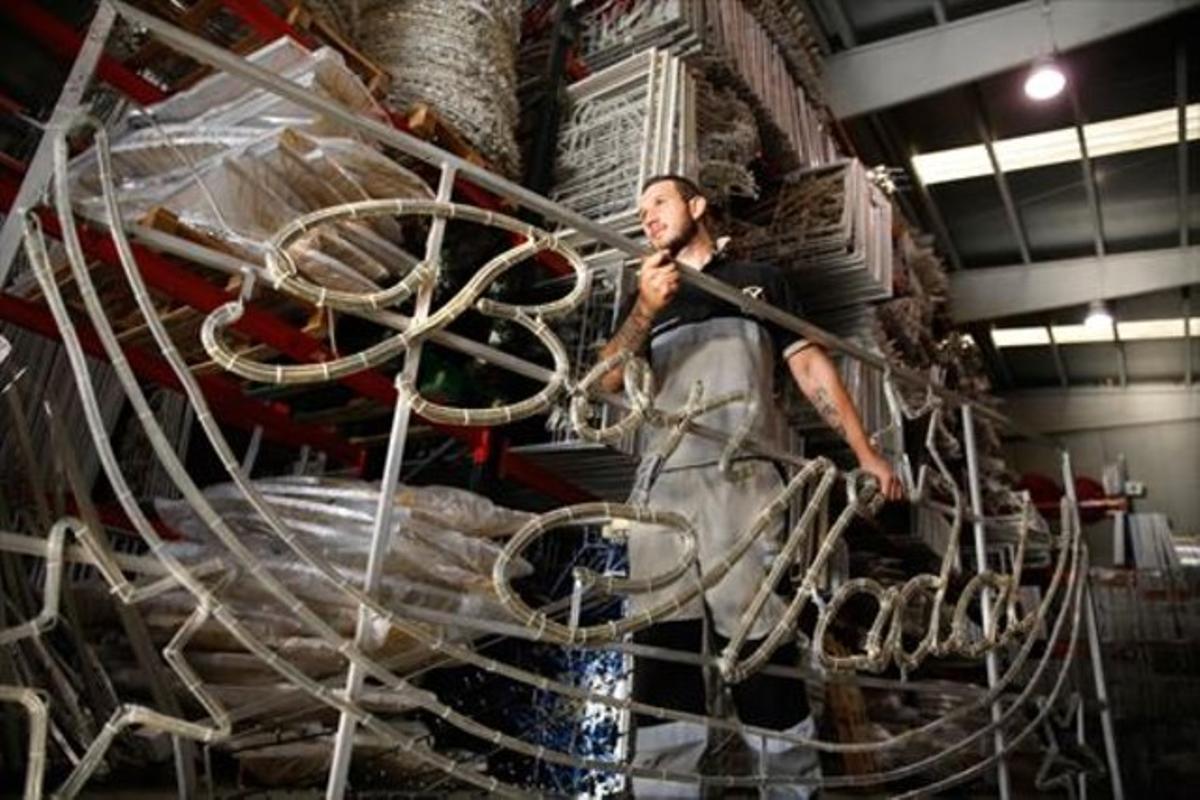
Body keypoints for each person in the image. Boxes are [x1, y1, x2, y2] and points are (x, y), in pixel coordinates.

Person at [600, 175, 902, 798]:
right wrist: (645, 309)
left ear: (697, 206)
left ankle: (791, 789)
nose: (647, 218)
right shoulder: (649, 295)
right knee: (664, 648)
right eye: (640, 212)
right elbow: (604, 381)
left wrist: (866, 454)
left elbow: (810, 365)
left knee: (758, 640)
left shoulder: (758, 280)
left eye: (658, 202)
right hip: (662, 490)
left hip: (742, 484)